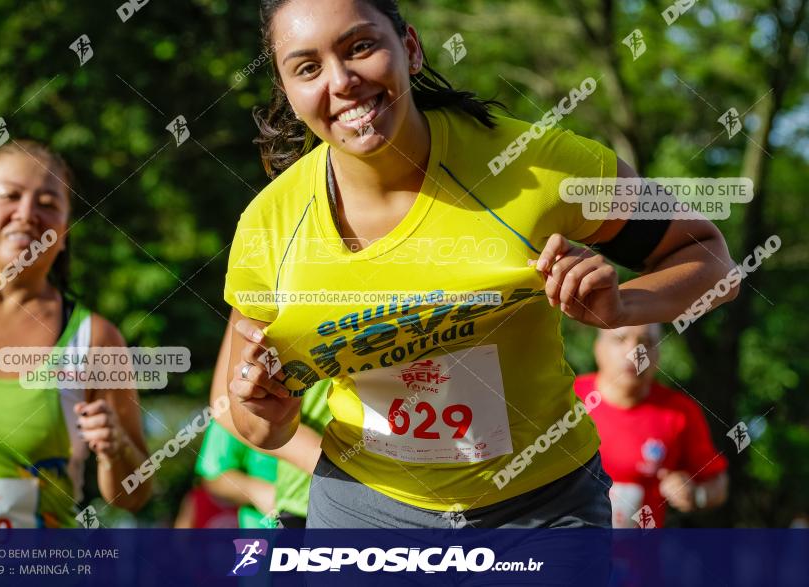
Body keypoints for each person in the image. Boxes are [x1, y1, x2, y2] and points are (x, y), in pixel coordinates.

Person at [223, 0, 740, 529]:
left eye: (361, 46)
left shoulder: (533, 165)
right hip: (363, 509)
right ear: (288, 90)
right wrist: (266, 411)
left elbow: (711, 259)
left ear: (411, 47)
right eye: (307, 67)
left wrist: (626, 304)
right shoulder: (269, 224)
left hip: (540, 511)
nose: (342, 80)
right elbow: (254, 422)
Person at [0, 141, 151, 528]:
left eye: (48, 203)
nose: (27, 214)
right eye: (9, 195)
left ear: (63, 233)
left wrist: (115, 450)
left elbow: (135, 496)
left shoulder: (95, 339)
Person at [575, 324, 729, 528]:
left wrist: (695, 494)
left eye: (646, 342)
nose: (633, 352)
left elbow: (719, 486)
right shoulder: (567, 400)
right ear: (598, 347)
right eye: (620, 340)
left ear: (658, 354)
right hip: (567, 551)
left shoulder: (680, 412)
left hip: (639, 557)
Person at [208, 318, 332, 528]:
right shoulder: (267, 288)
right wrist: (318, 456)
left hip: (401, 489)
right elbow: (225, 403)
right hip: (304, 502)